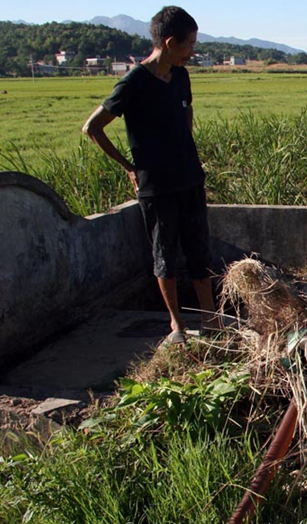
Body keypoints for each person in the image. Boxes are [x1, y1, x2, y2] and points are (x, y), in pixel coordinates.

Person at [82, 6, 218, 345]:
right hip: (156, 187)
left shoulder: (181, 76)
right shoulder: (133, 82)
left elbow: (186, 117)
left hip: (189, 180)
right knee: (165, 256)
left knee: (199, 252)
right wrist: (130, 169)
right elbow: (92, 127)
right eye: (189, 44)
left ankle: (212, 320)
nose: (192, 51)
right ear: (170, 43)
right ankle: (177, 326)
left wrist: (188, 154)